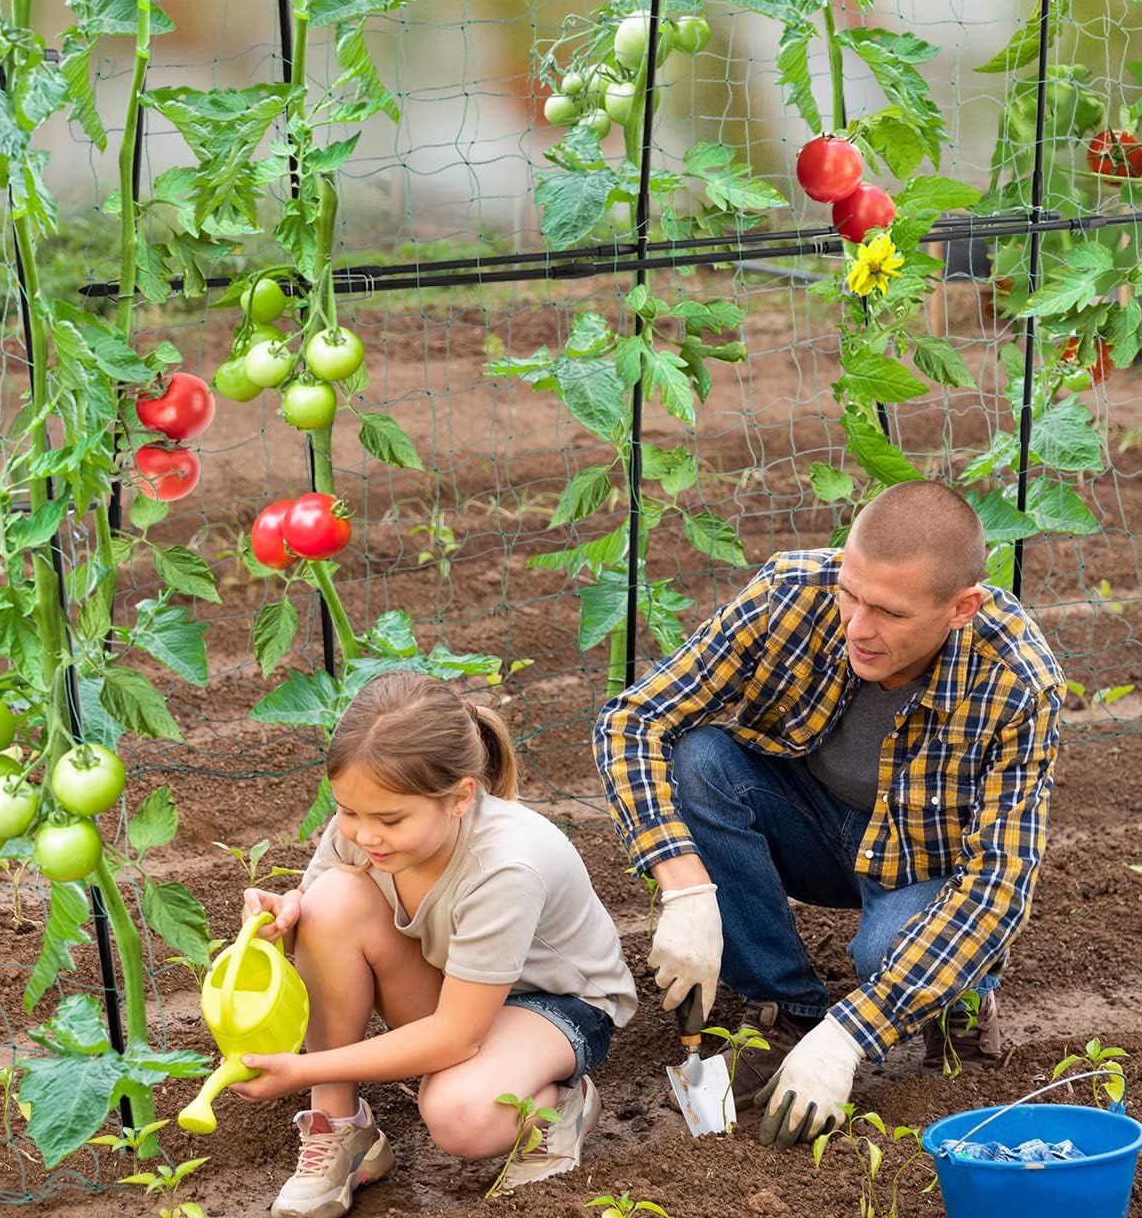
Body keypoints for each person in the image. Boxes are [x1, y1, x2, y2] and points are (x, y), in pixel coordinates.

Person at [594, 479, 1063, 1150]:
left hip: (920, 867)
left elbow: (999, 889)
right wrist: (684, 885)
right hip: (811, 824)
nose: (857, 627)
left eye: (889, 613)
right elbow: (631, 719)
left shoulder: (1017, 679)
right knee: (699, 760)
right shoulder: (792, 595)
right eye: (851, 593)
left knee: (887, 951)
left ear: (962, 608)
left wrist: (849, 1036)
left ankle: (955, 1006)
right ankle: (787, 1009)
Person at [234, 671, 638, 1217]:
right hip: (461, 990)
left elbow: (454, 1034)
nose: (364, 834)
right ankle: (342, 1130)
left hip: (559, 1007)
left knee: (461, 1114)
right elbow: (321, 909)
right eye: (348, 810)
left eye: (389, 819)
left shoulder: (505, 867)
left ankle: (563, 1106)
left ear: (460, 797)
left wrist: (300, 1068)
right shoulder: (362, 831)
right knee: (329, 901)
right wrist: (286, 910)